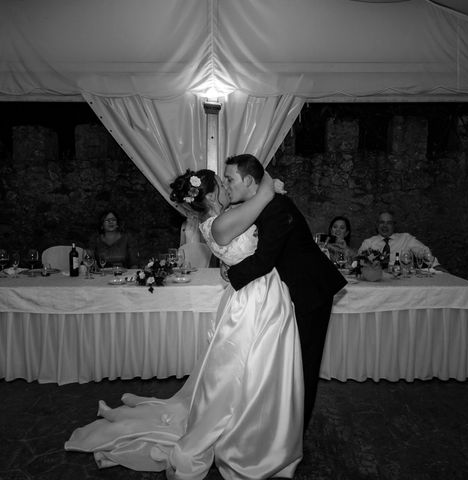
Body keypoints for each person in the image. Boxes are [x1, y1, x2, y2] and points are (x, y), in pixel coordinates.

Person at [66, 169, 304, 479]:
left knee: (257, 370)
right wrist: (267, 183)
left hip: (257, 293)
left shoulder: (227, 215)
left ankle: (253, 426)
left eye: (227, 180)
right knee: (238, 372)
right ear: (207, 195)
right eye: (222, 183)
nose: (226, 186)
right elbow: (265, 193)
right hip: (252, 300)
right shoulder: (219, 224)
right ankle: (244, 435)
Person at [224, 154, 347, 431]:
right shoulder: (262, 205)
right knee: (290, 363)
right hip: (293, 291)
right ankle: (283, 427)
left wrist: (230, 274)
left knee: (305, 363)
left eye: (230, 179)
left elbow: (265, 259)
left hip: (311, 291)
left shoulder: (277, 208)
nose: (226, 185)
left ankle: (295, 435)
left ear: (247, 180)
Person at [359, 211, 441, 268]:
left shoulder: (406, 238)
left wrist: (436, 265)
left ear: (394, 225)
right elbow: (358, 261)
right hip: (375, 280)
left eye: (389, 223)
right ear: (377, 225)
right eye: (382, 222)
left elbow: (424, 251)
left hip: (402, 280)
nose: (385, 226)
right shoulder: (368, 242)